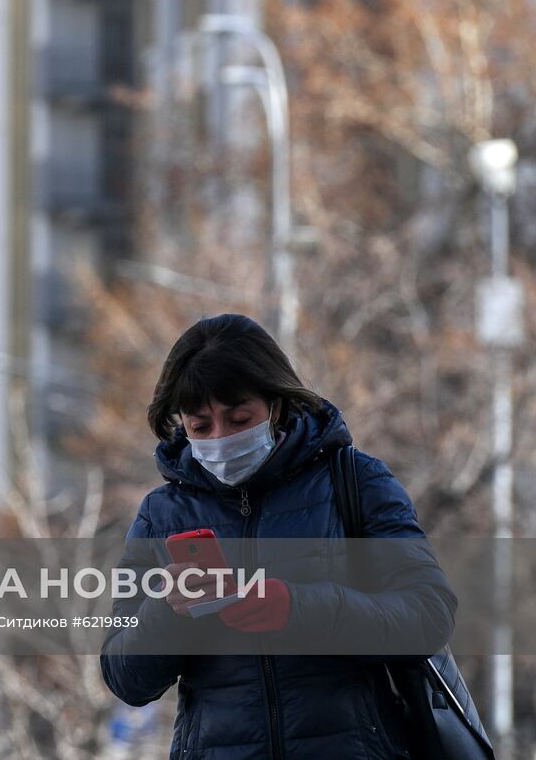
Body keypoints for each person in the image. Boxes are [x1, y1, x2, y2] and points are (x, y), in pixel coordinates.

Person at [100, 314, 457, 760]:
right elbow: (124, 678)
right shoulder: (162, 513)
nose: (222, 438)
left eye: (239, 417)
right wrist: (171, 612)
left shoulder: (355, 481)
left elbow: (429, 614)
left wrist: (297, 607)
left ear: (276, 404)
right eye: (200, 426)